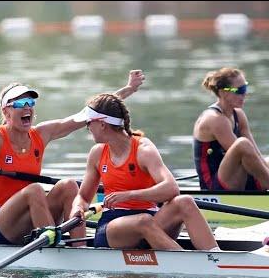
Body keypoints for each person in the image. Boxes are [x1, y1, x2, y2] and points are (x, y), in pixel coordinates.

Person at [0, 65, 145, 246]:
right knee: (34, 190)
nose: (28, 108)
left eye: (31, 102)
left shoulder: (40, 135)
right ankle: (49, 244)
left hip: (27, 220)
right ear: (6, 111)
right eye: (20, 103)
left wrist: (128, 90)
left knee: (69, 186)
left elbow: (87, 115)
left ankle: (79, 250)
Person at [70, 93, 219, 251]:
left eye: (88, 123)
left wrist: (129, 195)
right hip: (113, 228)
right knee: (143, 221)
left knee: (185, 202)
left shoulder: (143, 149)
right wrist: (77, 207)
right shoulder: (97, 153)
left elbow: (171, 188)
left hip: (151, 220)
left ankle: (217, 258)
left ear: (101, 124)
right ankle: (192, 264)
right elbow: (83, 197)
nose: (87, 128)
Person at [193, 67, 269, 191]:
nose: (244, 94)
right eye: (240, 90)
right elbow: (243, 152)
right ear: (223, 93)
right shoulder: (215, 119)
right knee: (242, 144)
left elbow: (256, 154)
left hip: (237, 177)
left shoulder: (238, 115)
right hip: (214, 186)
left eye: (245, 87)